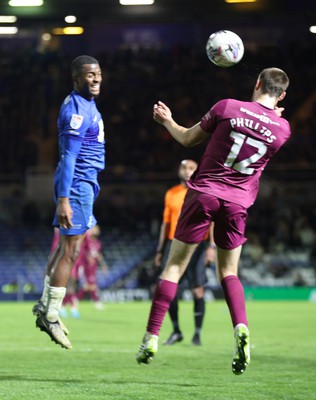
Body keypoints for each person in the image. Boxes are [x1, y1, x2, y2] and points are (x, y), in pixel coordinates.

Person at [136, 67, 291, 375]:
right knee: (229, 272)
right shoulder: (283, 129)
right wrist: (274, 116)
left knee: (175, 267)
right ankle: (241, 329)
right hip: (237, 203)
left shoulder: (227, 107)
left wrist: (167, 120)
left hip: (204, 193)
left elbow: (187, 139)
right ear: (282, 95)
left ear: (257, 83)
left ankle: (151, 337)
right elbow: (267, 127)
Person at [32, 55, 105, 350]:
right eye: (90, 75)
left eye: (98, 73)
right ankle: (51, 315)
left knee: (65, 248)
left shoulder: (86, 103)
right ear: (76, 79)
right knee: (71, 252)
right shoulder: (77, 110)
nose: (96, 79)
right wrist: (64, 199)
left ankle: (43, 307)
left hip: (83, 185)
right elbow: (69, 157)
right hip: (76, 188)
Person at [154, 159, 216, 346]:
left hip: (198, 245)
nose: (187, 171)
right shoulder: (171, 193)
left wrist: (212, 247)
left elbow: (212, 220)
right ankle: (176, 331)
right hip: (174, 244)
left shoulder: (204, 191)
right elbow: (166, 223)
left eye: (191, 168)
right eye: (184, 168)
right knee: (168, 288)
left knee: (198, 289)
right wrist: (159, 250)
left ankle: (197, 334)